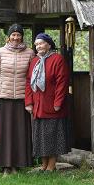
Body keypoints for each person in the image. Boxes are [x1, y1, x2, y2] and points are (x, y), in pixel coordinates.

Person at [0, 23, 35, 176]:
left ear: (22, 36)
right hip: (5, 97)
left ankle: (17, 166)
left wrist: (32, 98)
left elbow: (32, 77)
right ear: (8, 37)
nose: (16, 37)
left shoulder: (29, 53)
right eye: (13, 35)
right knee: (5, 132)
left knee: (20, 132)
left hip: (22, 98)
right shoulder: (0, 52)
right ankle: (6, 167)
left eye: (18, 34)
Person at [25, 33, 71, 172]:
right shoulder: (34, 61)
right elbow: (28, 82)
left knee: (52, 136)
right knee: (41, 137)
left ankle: (51, 166)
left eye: (41, 43)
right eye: (36, 44)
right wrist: (29, 102)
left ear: (49, 44)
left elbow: (62, 82)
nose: (38, 46)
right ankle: (44, 165)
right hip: (38, 106)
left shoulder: (57, 59)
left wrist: (57, 103)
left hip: (52, 106)